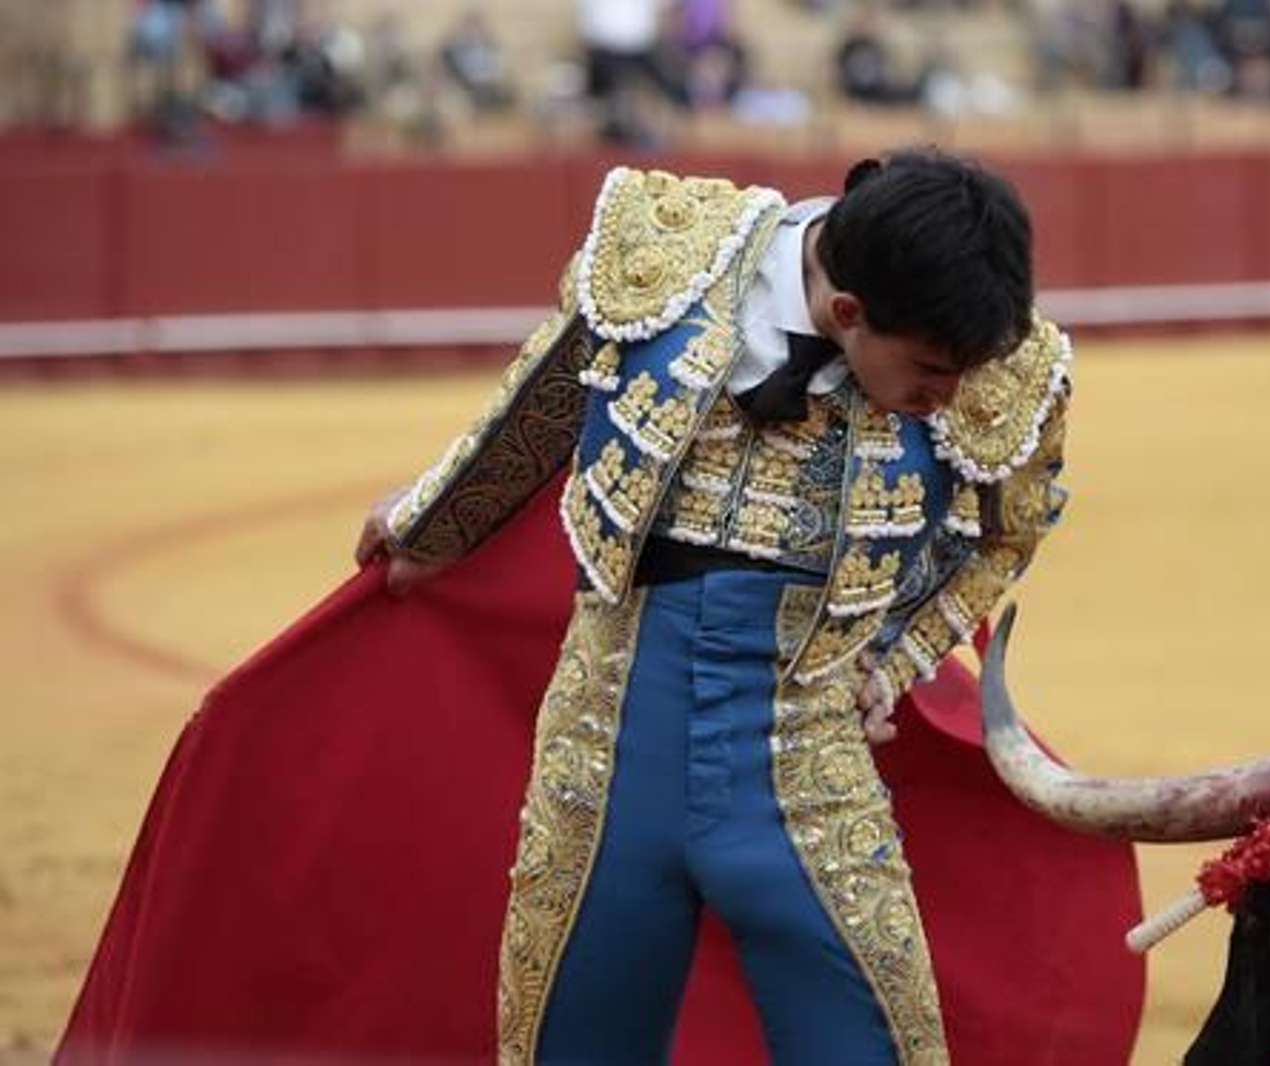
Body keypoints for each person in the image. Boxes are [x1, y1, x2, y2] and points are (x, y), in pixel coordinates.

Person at [59, 151, 1144, 1066]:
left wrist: (894, 662)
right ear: (848, 310)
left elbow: (1005, 530)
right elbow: (546, 399)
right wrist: (432, 525)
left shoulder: (1003, 356)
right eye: (930, 371)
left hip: (807, 755)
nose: (950, 398)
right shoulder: (668, 249)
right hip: (605, 742)